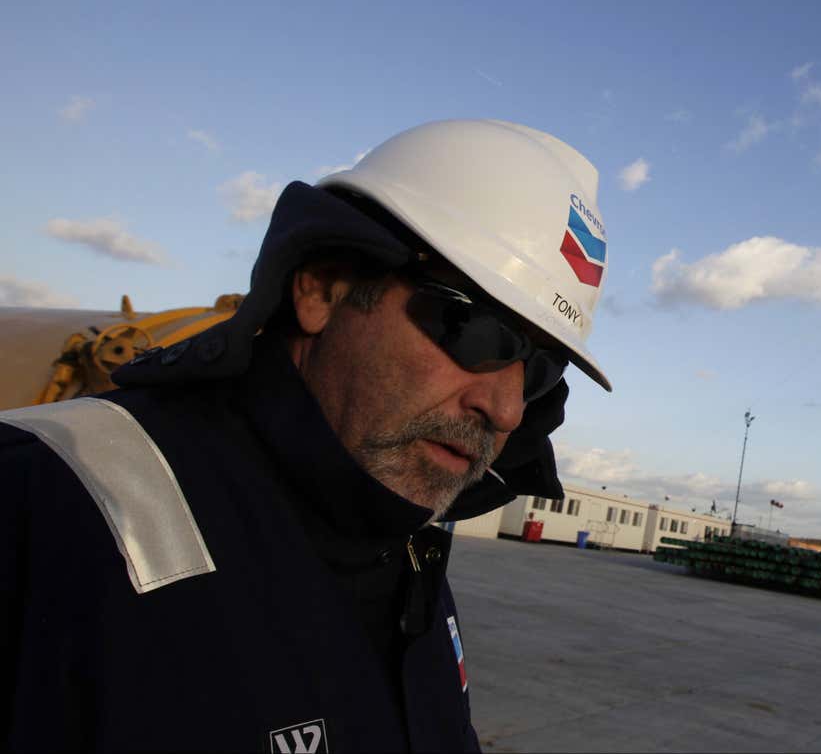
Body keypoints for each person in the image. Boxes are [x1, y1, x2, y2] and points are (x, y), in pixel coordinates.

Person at [0, 119, 612, 751]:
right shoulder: (38, 511)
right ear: (322, 287)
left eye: (539, 370)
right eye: (476, 332)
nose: (507, 409)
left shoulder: (403, 556)